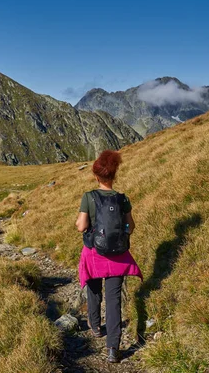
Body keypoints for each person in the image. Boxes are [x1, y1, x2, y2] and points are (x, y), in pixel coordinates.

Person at [75, 150, 143, 363]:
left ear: (96, 176)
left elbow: (81, 227)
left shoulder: (88, 197)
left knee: (94, 289)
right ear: (114, 175)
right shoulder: (123, 199)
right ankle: (113, 347)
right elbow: (130, 227)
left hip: (94, 253)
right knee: (114, 300)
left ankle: (95, 327)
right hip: (118, 256)